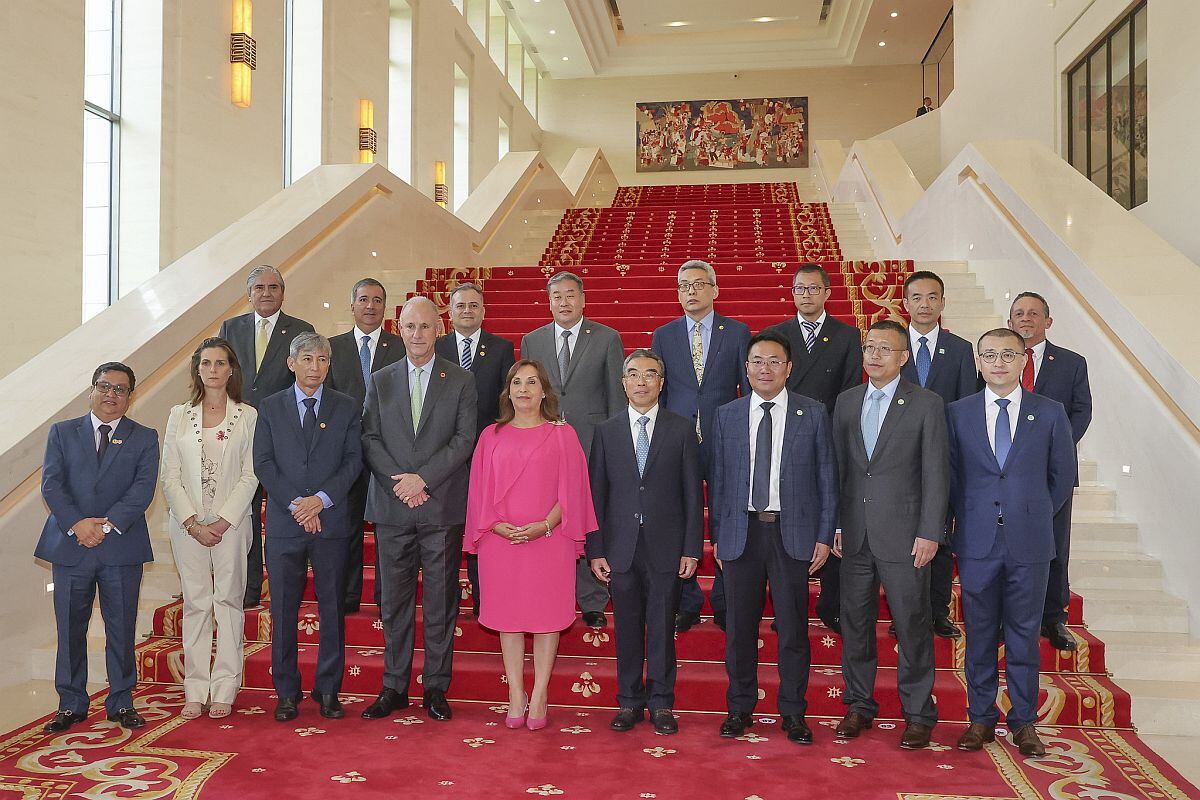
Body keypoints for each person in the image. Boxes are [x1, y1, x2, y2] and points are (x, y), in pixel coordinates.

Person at [947, 328, 1075, 757]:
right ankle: (980, 719)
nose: (998, 362)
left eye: (1008, 354)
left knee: (1023, 635)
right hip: (977, 541)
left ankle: (1024, 722)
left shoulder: (1051, 412)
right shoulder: (958, 413)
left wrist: (1030, 512)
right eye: (989, 355)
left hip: (1030, 543)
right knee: (979, 634)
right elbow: (950, 477)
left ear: (1024, 361)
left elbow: (1061, 480)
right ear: (978, 363)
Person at [710, 331, 836, 744]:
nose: (765, 369)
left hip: (792, 534)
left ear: (789, 367)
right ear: (746, 369)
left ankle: (794, 713)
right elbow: (720, 482)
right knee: (739, 628)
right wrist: (719, 539)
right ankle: (739, 708)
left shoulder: (812, 413)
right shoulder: (727, 414)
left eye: (774, 361)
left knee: (794, 631)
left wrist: (823, 535)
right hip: (741, 534)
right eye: (757, 362)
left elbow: (826, 480)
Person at [831, 320, 948, 749]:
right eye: (869, 347)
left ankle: (918, 713)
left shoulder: (926, 403)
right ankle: (858, 704)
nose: (874, 355)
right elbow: (839, 471)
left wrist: (930, 531)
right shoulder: (846, 401)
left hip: (906, 536)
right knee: (856, 625)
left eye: (885, 349)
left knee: (912, 625)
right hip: (856, 535)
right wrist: (837, 525)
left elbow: (937, 472)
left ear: (903, 357)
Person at [360, 296, 477, 722]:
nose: (417, 335)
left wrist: (422, 480)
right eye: (409, 327)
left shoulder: (460, 380)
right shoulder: (381, 379)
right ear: (399, 329)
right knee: (394, 602)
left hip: (440, 506)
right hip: (393, 508)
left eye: (425, 327)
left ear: (438, 328)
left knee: (441, 600)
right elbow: (370, 437)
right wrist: (402, 484)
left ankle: (435, 687)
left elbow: (464, 441)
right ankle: (393, 685)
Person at [464, 360, 598, 731]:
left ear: (544, 392)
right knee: (508, 619)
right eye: (516, 383)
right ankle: (515, 694)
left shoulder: (563, 434)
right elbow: (479, 491)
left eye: (531, 382)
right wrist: (497, 526)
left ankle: (539, 693)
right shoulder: (491, 435)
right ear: (508, 391)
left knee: (545, 618)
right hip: (500, 541)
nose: (523, 389)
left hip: (548, 541)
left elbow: (572, 491)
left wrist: (545, 525)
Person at [37, 362, 160, 732]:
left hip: (120, 547)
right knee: (70, 628)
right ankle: (71, 702)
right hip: (72, 546)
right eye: (105, 387)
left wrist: (105, 525)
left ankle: (121, 701)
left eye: (121, 389)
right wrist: (78, 524)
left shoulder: (144, 436)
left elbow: (142, 489)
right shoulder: (62, 432)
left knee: (121, 627)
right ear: (92, 389)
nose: (112, 395)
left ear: (130, 396)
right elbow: (52, 485)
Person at [588, 350, 704, 735]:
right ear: (623, 383)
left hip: (666, 545)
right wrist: (596, 548)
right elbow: (596, 495)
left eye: (650, 374)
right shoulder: (606, 431)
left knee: (661, 625)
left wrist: (691, 547)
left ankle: (661, 702)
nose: (641, 381)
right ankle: (629, 701)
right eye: (633, 374)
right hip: (620, 547)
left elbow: (692, 494)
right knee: (627, 627)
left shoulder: (681, 429)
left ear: (661, 382)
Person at [253, 333, 363, 722]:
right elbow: (264, 464)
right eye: (308, 359)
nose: (316, 367)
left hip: (331, 521)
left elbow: (353, 461)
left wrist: (321, 500)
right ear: (291, 363)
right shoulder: (269, 407)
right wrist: (299, 504)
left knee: (332, 607)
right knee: (284, 608)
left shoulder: (346, 407)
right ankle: (286, 691)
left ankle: (328, 689)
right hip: (286, 523)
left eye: (322, 360)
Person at [160, 338, 259, 719]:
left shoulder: (247, 416)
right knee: (196, 603)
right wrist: (190, 521)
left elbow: (251, 475)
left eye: (220, 363)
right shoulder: (178, 414)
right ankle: (195, 688)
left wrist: (221, 521)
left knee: (229, 602)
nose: (213, 369)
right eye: (206, 363)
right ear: (197, 370)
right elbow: (169, 475)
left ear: (231, 369)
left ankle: (225, 686)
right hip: (187, 527)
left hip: (230, 526)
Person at [519, 271, 624, 630]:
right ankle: (556, 593)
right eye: (556, 297)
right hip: (544, 444)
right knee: (551, 519)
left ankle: (593, 598)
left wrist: (614, 446)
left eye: (570, 295)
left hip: (592, 443)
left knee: (586, 520)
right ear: (548, 302)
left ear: (582, 299)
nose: (563, 302)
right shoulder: (532, 340)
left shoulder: (607, 338)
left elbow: (615, 397)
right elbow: (528, 393)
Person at [650, 260, 750, 633]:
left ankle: (726, 601)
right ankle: (687, 600)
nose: (690, 291)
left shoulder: (737, 332)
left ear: (714, 290)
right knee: (680, 518)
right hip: (677, 440)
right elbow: (657, 390)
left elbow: (747, 387)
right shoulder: (664, 334)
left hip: (726, 439)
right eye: (683, 285)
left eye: (698, 284)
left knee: (728, 519)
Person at [764, 263, 863, 635]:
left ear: (827, 293)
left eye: (813, 289)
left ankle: (831, 602)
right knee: (786, 522)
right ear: (792, 294)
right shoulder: (777, 334)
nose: (806, 295)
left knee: (828, 516)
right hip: (783, 439)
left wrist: (832, 434)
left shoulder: (847, 335)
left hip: (827, 436)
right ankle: (785, 607)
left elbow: (851, 388)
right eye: (799, 289)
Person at [218, 265, 315, 608]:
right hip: (239, 435)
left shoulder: (301, 330)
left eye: (274, 287)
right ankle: (248, 588)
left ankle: (287, 585)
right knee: (242, 511)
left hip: (282, 437)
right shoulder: (231, 328)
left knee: (280, 511)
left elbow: (306, 382)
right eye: (259, 287)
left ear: (283, 293)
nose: (266, 293)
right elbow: (221, 376)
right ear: (249, 294)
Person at [1008, 292, 1091, 651]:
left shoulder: (1072, 363)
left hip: (1052, 474)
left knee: (1055, 545)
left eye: (1033, 313)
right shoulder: (998, 358)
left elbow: (1081, 412)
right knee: (1005, 545)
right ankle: (1005, 615)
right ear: (1009, 322)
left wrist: (1051, 451)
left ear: (1048, 321)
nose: (1026, 319)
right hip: (1005, 472)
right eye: (1019, 314)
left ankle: (1053, 618)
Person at [900, 270, 978, 640]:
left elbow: (965, 406)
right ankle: (907, 614)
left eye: (932, 297)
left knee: (940, 538)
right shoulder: (892, 346)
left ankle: (937, 611)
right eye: (917, 297)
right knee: (901, 539)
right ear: (905, 303)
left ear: (943, 303)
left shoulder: (960, 350)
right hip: (898, 459)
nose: (925, 304)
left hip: (943, 459)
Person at [434, 281, 515, 617]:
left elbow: (505, 400)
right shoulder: (435, 347)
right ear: (450, 312)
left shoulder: (501, 347)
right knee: (448, 530)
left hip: (488, 454)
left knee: (485, 529)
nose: (467, 311)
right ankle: (447, 600)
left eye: (473, 305)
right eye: (460, 305)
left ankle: (486, 598)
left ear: (483, 311)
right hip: (445, 454)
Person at [328, 278, 405, 613]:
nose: (370, 306)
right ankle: (347, 595)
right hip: (345, 453)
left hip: (389, 453)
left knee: (388, 529)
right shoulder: (331, 348)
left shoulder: (400, 346)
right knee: (348, 526)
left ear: (385, 307)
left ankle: (386, 595)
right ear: (352, 304)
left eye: (377, 300)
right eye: (363, 299)